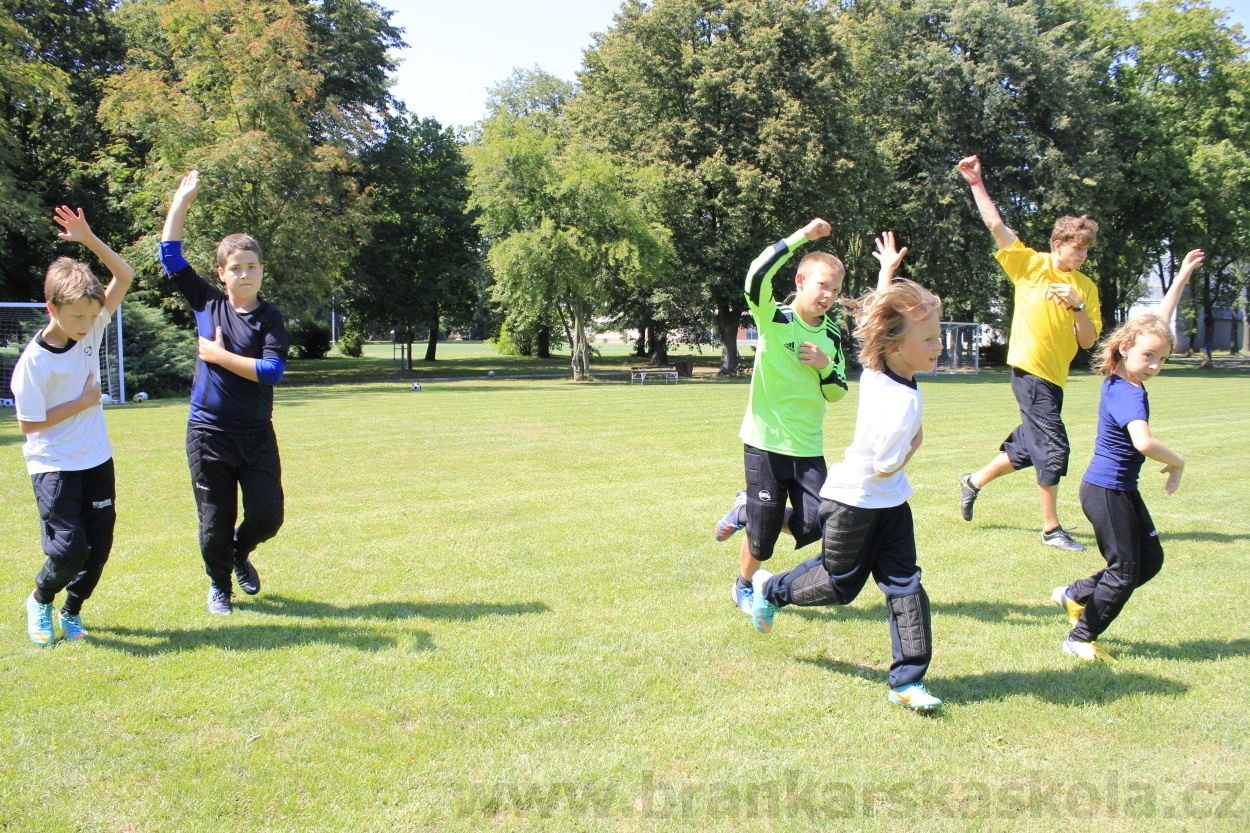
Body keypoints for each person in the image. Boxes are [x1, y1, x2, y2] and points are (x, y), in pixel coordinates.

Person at [749, 276, 946, 710]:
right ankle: (769, 590)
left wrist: (887, 279)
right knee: (839, 586)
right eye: (929, 338)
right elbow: (883, 465)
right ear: (895, 345)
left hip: (892, 504)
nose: (939, 346)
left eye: (938, 336)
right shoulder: (900, 402)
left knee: (905, 584)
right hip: (854, 501)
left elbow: (877, 328)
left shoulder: (878, 371)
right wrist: (915, 444)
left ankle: (907, 682)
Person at [715, 220, 908, 617]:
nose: (829, 296)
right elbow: (755, 273)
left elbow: (837, 392)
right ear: (801, 280)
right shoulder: (774, 317)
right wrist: (803, 236)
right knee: (764, 542)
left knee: (817, 525)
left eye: (835, 290)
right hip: (765, 443)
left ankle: (745, 509)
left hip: (807, 447)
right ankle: (743, 584)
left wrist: (824, 367)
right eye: (822, 286)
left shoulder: (832, 335)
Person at [1051, 249, 1203, 663]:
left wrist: (1181, 278)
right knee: (1125, 571)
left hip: (1119, 489)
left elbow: (1156, 325)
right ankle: (1079, 637)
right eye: (1148, 356)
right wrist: (1178, 461)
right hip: (1105, 491)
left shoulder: (1125, 372)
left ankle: (1074, 593)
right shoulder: (1127, 393)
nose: (1154, 365)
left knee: (1148, 560)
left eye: (1162, 359)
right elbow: (1144, 443)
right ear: (1124, 348)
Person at [955, 154, 1102, 551]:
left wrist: (1078, 306)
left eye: (1087, 251)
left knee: (1026, 448)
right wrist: (976, 183)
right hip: (1030, 372)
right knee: (1054, 448)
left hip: (1055, 378)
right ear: (1058, 244)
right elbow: (995, 225)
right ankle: (1052, 529)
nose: (1082, 257)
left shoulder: (1085, 287)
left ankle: (973, 481)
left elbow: (1088, 342)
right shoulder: (1031, 266)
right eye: (1077, 249)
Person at [160, 170, 289, 615]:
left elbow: (271, 372)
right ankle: (220, 586)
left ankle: (239, 553)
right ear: (222, 273)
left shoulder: (270, 317)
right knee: (214, 523)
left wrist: (217, 356)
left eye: (252, 265)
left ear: (261, 271)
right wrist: (182, 199)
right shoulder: (206, 303)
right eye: (236, 267)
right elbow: (170, 255)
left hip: (256, 434)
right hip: (208, 434)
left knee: (268, 517)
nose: (245, 273)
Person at [11, 206, 134, 644]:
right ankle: (40, 599)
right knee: (68, 549)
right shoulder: (32, 364)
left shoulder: (92, 328)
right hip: (52, 463)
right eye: (77, 317)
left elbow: (124, 274)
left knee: (97, 550)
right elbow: (28, 425)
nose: (87, 326)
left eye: (91, 316)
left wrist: (87, 240)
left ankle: (73, 609)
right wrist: (83, 402)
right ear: (52, 308)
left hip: (96, 459)